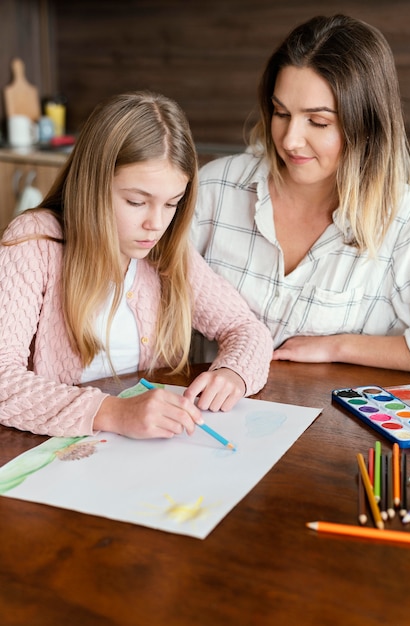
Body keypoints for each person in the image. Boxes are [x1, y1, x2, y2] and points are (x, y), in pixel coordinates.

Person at [0, 91, 272, 439]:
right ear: (93, 186)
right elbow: (4, 378)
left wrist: (234, 372)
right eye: (136, 201)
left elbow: (246, 329)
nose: (156, 224)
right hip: (56, 452)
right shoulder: (35, 241)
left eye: (171, 203)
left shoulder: (168, 252)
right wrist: (113, 412)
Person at [191, 14, 410, 372]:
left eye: (318, 121)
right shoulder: (216, 188)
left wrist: (339, 346)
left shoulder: (406, 221)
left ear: (366, 124)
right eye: (281, 113)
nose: (290, 140)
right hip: (207, 417)